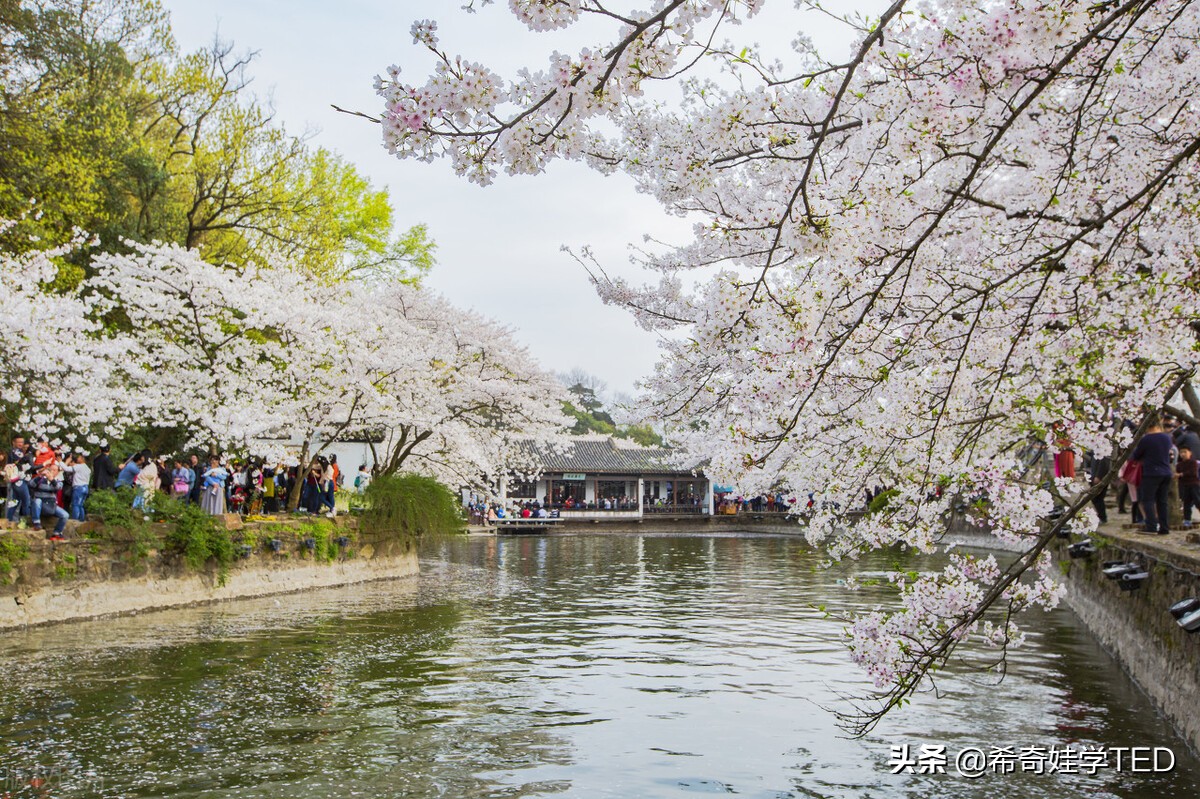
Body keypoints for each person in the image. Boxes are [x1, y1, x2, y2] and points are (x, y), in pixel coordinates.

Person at [1131, 416, 1175, 535]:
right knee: (1162, 501)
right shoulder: (1167, 438)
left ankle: (1151, 526)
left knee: (1148, 500)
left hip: (1151, 472)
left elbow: (1136, 455)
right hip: (1166, 472)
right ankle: (1164, 527)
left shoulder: (1146, 439)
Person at [29, 464, 68, 539]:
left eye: (54, 470)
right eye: (51, 470)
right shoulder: (40, 480)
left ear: (57, 472)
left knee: (65, 515)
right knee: (37, 500)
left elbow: (58, 488)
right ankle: (36, 523)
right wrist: (40, 476)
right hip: (39, 504)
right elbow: (31, 484)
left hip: (51, 505)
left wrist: (52, 480)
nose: (52, 472)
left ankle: (57, 532)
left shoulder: (58, 481)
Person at [6, 437, 32, 524]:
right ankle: (26, 522)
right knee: (26, 501)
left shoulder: (21, 453)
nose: (21, 444)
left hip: (20, 478)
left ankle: (9, 521)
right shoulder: (13, 453)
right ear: (14, 442)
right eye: (19, 442)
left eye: (22, 442)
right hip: (18, 479)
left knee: (15, 501)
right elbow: (15, 464)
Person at [1178, 446, 1200, 528]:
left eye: (1185, 452)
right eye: (1181, 452)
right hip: (1185, 485)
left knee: (1198, 501)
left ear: (1190, 453)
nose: (1183, 454)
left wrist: (1181, 474)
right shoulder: (1180, 464)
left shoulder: (1193, 462)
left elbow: (1193, 473)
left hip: (1194, 484)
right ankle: (1187, 520)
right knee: (1186, 503)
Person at [67, 453, 91, 521]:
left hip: (78, 488)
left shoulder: (79, 466)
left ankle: (75, 520)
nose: (77, 458)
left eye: (79, 457)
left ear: (83, 458)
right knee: (80, 505)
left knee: (75, 504)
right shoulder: (88, 469)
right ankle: (81, 520)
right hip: (85, 487)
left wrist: (61, 462)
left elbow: (67, 468)